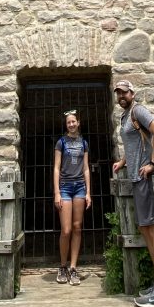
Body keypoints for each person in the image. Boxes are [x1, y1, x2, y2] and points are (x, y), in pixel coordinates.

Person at [111, 80, 154, 307]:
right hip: (136, 178)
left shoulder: (139, 110)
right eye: (118, 93)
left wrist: (152, 163)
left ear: (132, 93)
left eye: (124, 92)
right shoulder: (126, 117)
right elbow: (134, 142)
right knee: (146, 228)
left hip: (145, 178)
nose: (121, 96)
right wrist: (123, 161)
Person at [53, 110, 91, 286]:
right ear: (66, 124)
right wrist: (57, 192)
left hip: (80, 187)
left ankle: (74, 267)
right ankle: (62, 265)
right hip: (66, 187)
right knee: (66, 229)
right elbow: (56, 167)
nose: (71, 124)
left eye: (73, 121)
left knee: (77, 227)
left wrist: (89, 192)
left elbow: (85, 168)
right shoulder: (61, 142)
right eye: (68, 122)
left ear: (78, 122)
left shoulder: (83, 143)